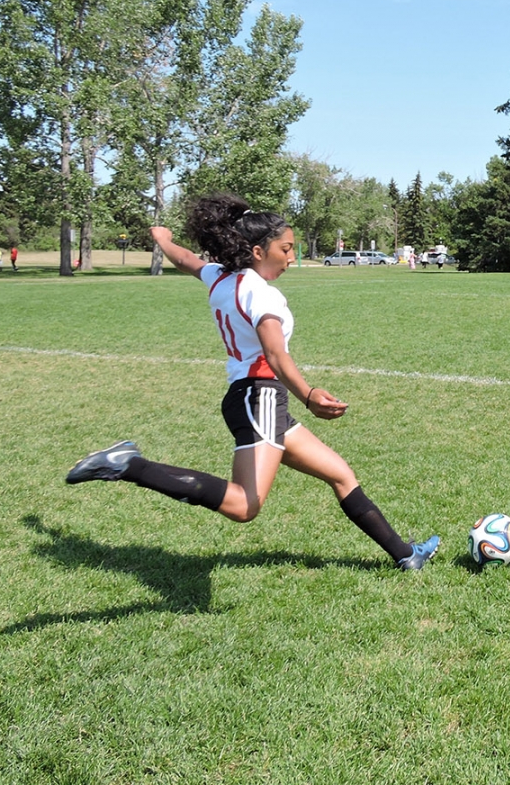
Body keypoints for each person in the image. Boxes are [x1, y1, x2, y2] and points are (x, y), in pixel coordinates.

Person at [64, 193, 440, 571]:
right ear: (258, 251)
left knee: (340, 474)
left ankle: (406, 555)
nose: (291, 257)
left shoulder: (221, 277)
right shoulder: (262, 294)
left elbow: (187, 261)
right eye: (286, 248)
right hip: (259, 396)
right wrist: (308, 396)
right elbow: (276, 356)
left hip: (255, 399)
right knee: (244, 505)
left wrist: (162, 240)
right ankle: (129, 465)